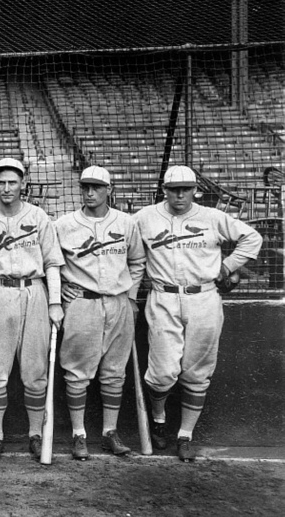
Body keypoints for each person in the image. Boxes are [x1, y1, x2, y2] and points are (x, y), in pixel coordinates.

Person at [135, 165, 261, 461]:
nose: (180, 194)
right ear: (163, 190)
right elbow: (123, 244)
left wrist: (228, 266)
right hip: (163, 297)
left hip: (204, 297)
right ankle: (159, 419)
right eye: (173, 189)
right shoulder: (144, 218)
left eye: (186, 189)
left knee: (197, 372)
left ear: (196, 190)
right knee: (163, 372)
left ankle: (185, 435)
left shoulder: (212, 217)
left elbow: (252, 238)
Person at [0, 157, 64, 460]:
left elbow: (52, 263)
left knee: (35, 373)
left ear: (23, 184)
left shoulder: (39, 217)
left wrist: (55, 303)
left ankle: (35, 435)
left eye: (13, 182)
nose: (7, 187)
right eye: (1, 182)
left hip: (34, 291)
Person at [54, 166, 146, 460]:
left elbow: (137, 261)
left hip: (118, 302)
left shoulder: (126, 222)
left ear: (110, 189)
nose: (90, 193)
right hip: (82, 302)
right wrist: (60, 291)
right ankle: (79, 434)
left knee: (114, 373)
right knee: (77, 373)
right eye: (85, 187)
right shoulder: (64, 224)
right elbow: (50, 264)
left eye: (96, 187)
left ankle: (109, 432)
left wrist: (131, 297)